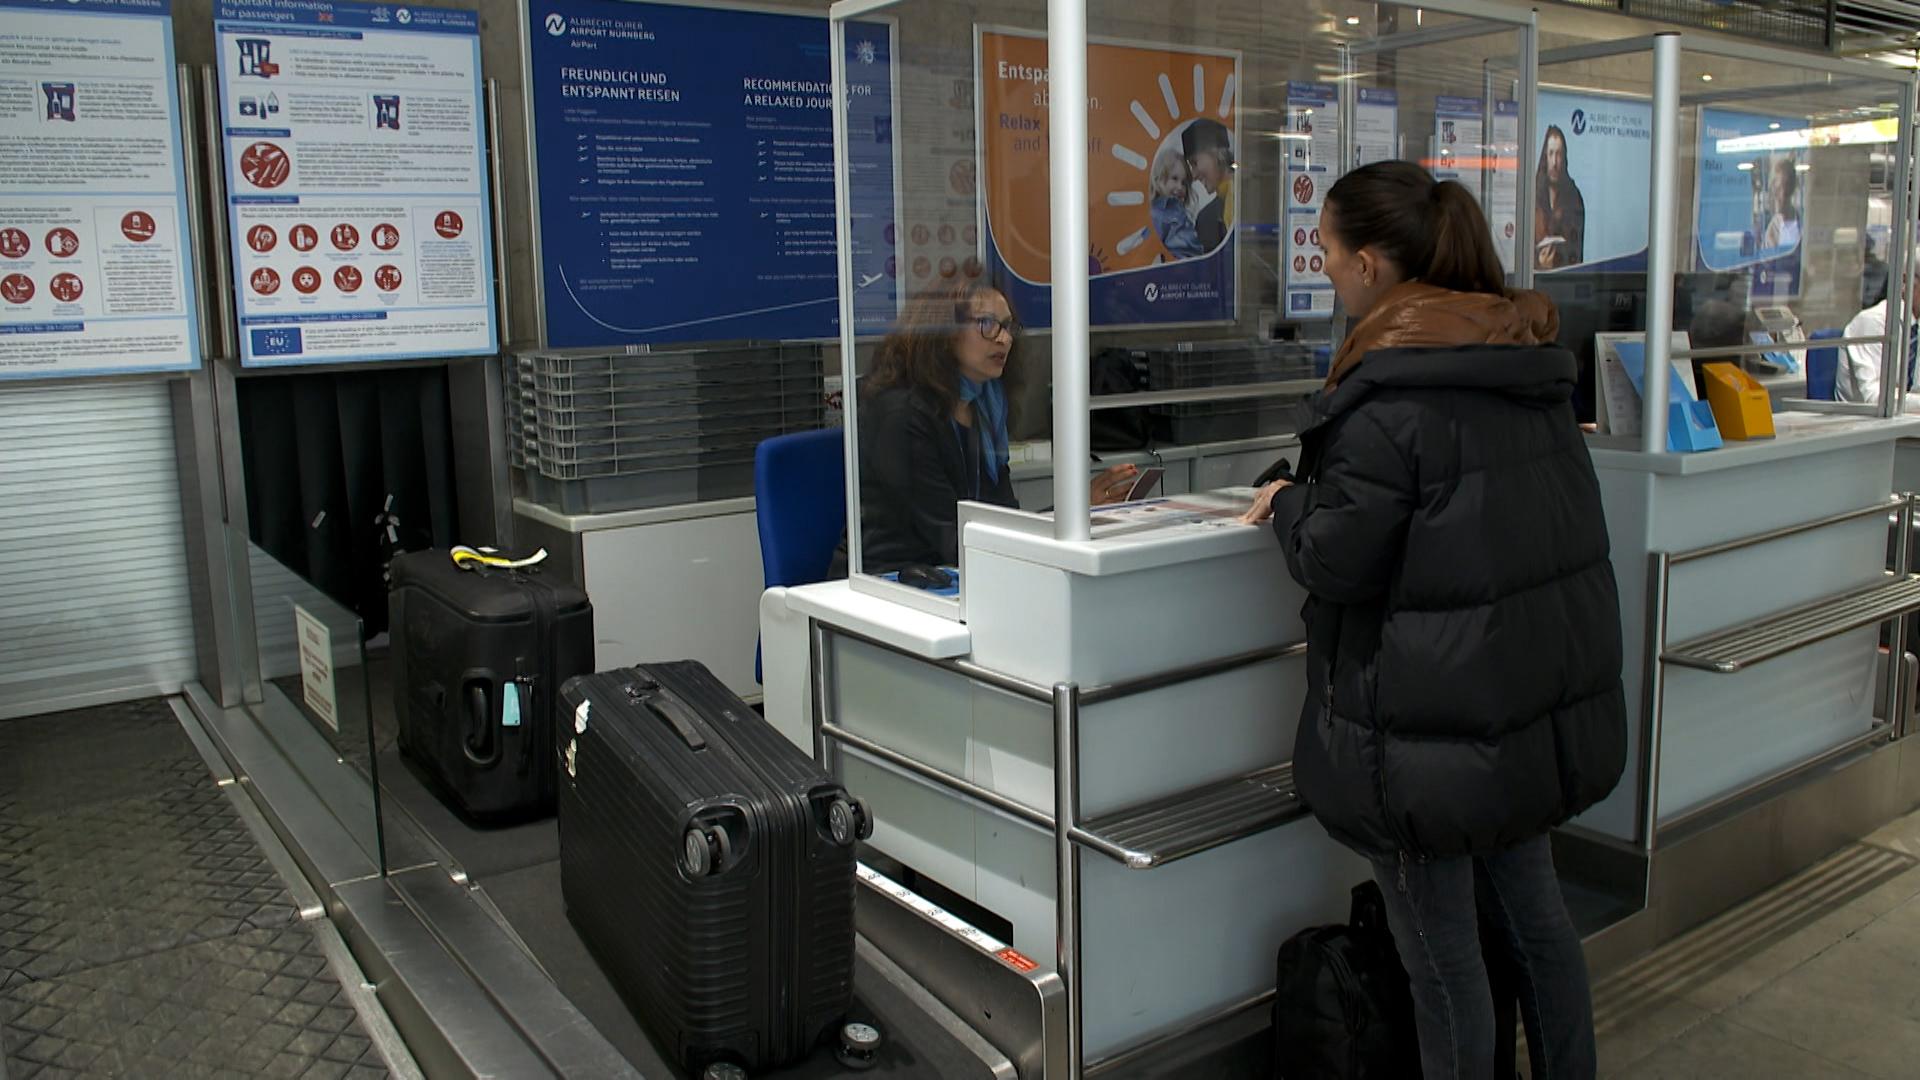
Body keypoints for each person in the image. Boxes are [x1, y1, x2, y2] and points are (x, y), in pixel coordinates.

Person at [1241, 160, 1626, 1079]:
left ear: (1372, 265)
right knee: (1537, 924)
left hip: (1421, 731)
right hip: (1512, 710)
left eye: (1328, 258)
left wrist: (1289, 499)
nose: (1326, 278)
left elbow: (1338, 558)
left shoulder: (1395, 396)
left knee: (1444, 964)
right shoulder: (1521, 364)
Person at [852, 281, 1138, 573]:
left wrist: (1073, 512)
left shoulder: (985, 407)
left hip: (957, 570)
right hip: (892, 578)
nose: (1005, 339)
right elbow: (951, 537)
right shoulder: (902, 415)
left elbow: (1002, 521)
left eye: (1008, 326)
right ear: (944, 332)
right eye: (988, 324)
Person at [1838, 260, 1919, 405]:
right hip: (1863, 423)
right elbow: (1876, 398)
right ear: (1906, 281)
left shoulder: (1916, 327)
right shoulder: (1873, 322)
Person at [1533, 125, 1585, 271]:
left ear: (1564, 158)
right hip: (1532, 282)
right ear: (1545, 157)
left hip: (1565, 280)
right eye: (1551, 154)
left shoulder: (1574, 198)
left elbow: (1577, 253)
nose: (1555, 162)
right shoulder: (1532, 195)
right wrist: (1539, 265)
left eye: (1559, 154)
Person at [1183, 119, 1235, 251]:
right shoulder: (1206, 218)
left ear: (1216, 154)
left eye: (1194, 163)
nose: (1193, 175)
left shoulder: (1207, 219)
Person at [1150, 145, 1203, 258]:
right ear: (1159, 179)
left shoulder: (1177, 212)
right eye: (1174, 178)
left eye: (1184, 183)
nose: (1179, 187)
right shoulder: (1161, 215)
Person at [1761, 155, 1802, 253]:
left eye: (1782, 189)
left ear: (1791, 190)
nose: (1778, 196)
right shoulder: (1772, 229)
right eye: (1775, 189)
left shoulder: (1803, 223)